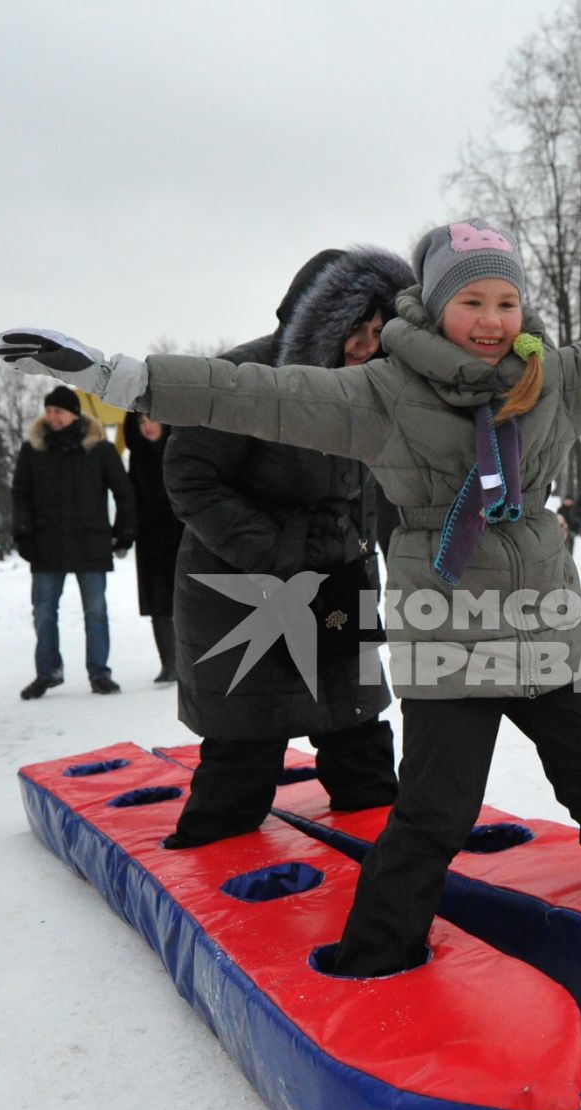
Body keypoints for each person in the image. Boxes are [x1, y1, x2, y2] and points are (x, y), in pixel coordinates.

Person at [0, 217, 581, 977]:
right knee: (433, 814)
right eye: (472, 302)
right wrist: (118, 379)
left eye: (505, 302)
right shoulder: (385, 393)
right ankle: (376, 957)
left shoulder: (558, 379)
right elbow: (255, 395)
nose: (490, 320)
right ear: (435, 305)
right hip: (446, 630)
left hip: (544, 628)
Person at [159, 247, 409, 849]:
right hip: (244, 589)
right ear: (318, 319)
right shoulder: (246, 382)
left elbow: (384, 484)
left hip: (341, 585)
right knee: (244, 753)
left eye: (380, 331)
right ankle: (217, 882)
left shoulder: (374, 390)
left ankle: (397, 881)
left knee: (360, 740)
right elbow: (189, 476)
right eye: (356, 328)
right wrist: (279, 550)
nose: (366, 345)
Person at [12, 386, 134, 699]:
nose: (53, 417)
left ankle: (99, 673)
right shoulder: (32, 450)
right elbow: (20, 496)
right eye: (49, 410)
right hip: (46, 543)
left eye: (59, 411)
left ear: (74, 414)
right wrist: (22, 533)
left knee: (95, 611)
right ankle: (47, 672)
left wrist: (124, 531)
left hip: (91, 542)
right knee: (43, 611)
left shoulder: (100, 450)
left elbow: (123, 492)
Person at [122, 412, 184, 684]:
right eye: (141, 422)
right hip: (150, 541)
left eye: (152, 419)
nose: (147, 427)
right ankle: (169, 662)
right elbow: (128, 500)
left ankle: (189, 659)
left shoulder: (180, 451)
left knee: (185, 599)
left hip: (182, 537)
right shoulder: (137, 457)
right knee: (158, 603)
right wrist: (125, 534)